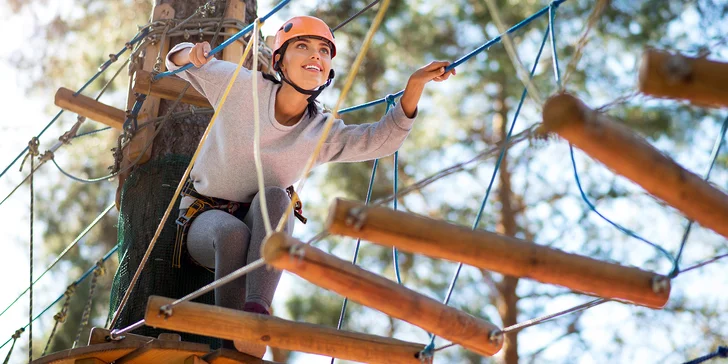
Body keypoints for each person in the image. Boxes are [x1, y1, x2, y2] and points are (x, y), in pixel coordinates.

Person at [166, 15, 455, 357]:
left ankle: (256, 314)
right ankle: (229, 339)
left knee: (276, 196)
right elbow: (177, 61)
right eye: (302, 46)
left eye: (323, 50)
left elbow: (379, 140)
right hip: (205, 220)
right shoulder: (241, 87)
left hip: (264, 224)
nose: (315, 55)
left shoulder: (322, 130)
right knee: (232, 233)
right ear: (279, 61)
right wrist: (191, 53)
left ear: (329, 68)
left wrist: (415, 86)